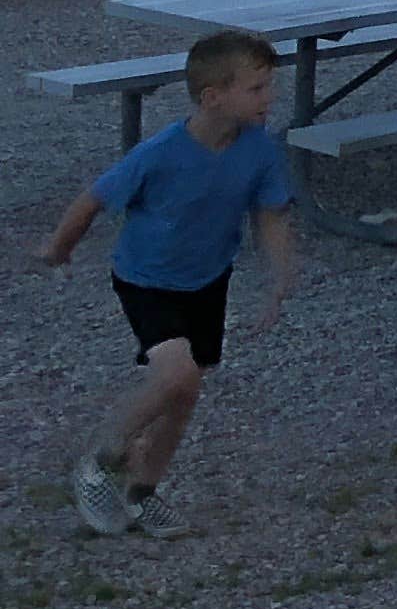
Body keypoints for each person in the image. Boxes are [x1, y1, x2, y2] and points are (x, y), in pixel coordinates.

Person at [37, 27, 298, 536]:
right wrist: (59, 247)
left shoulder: (260, 151)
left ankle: (141, 492)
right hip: (147, 279)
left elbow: (271, 216)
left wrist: (279, 278)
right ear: (213, 97)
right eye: (257, 88)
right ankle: (103, 458)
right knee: (176, 375)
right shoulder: (159, 152)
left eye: (270, 86)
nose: (270, 99)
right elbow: (94, 198)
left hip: (206, 281)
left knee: (185, 392)